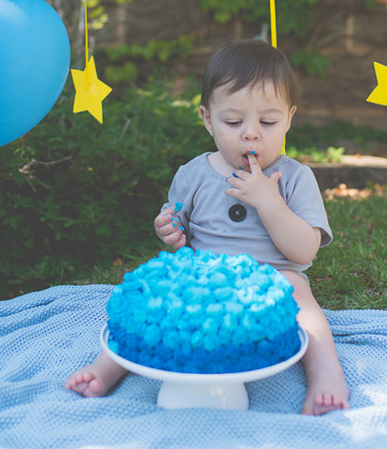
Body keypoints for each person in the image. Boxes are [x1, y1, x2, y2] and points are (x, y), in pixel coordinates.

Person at [67, 38, 351, 415]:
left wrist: (269, 201)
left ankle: (326, 374)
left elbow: (304, 251)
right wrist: (169, 229)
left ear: (289, 118)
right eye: (233, 122)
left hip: (272, 278)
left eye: (268, 122)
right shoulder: (194, 174)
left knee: (299, 290)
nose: (251, 133)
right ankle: (107, 367)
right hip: (203, 280)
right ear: (207, 119)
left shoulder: (294, 178)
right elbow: (178, 226)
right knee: (154, 304)